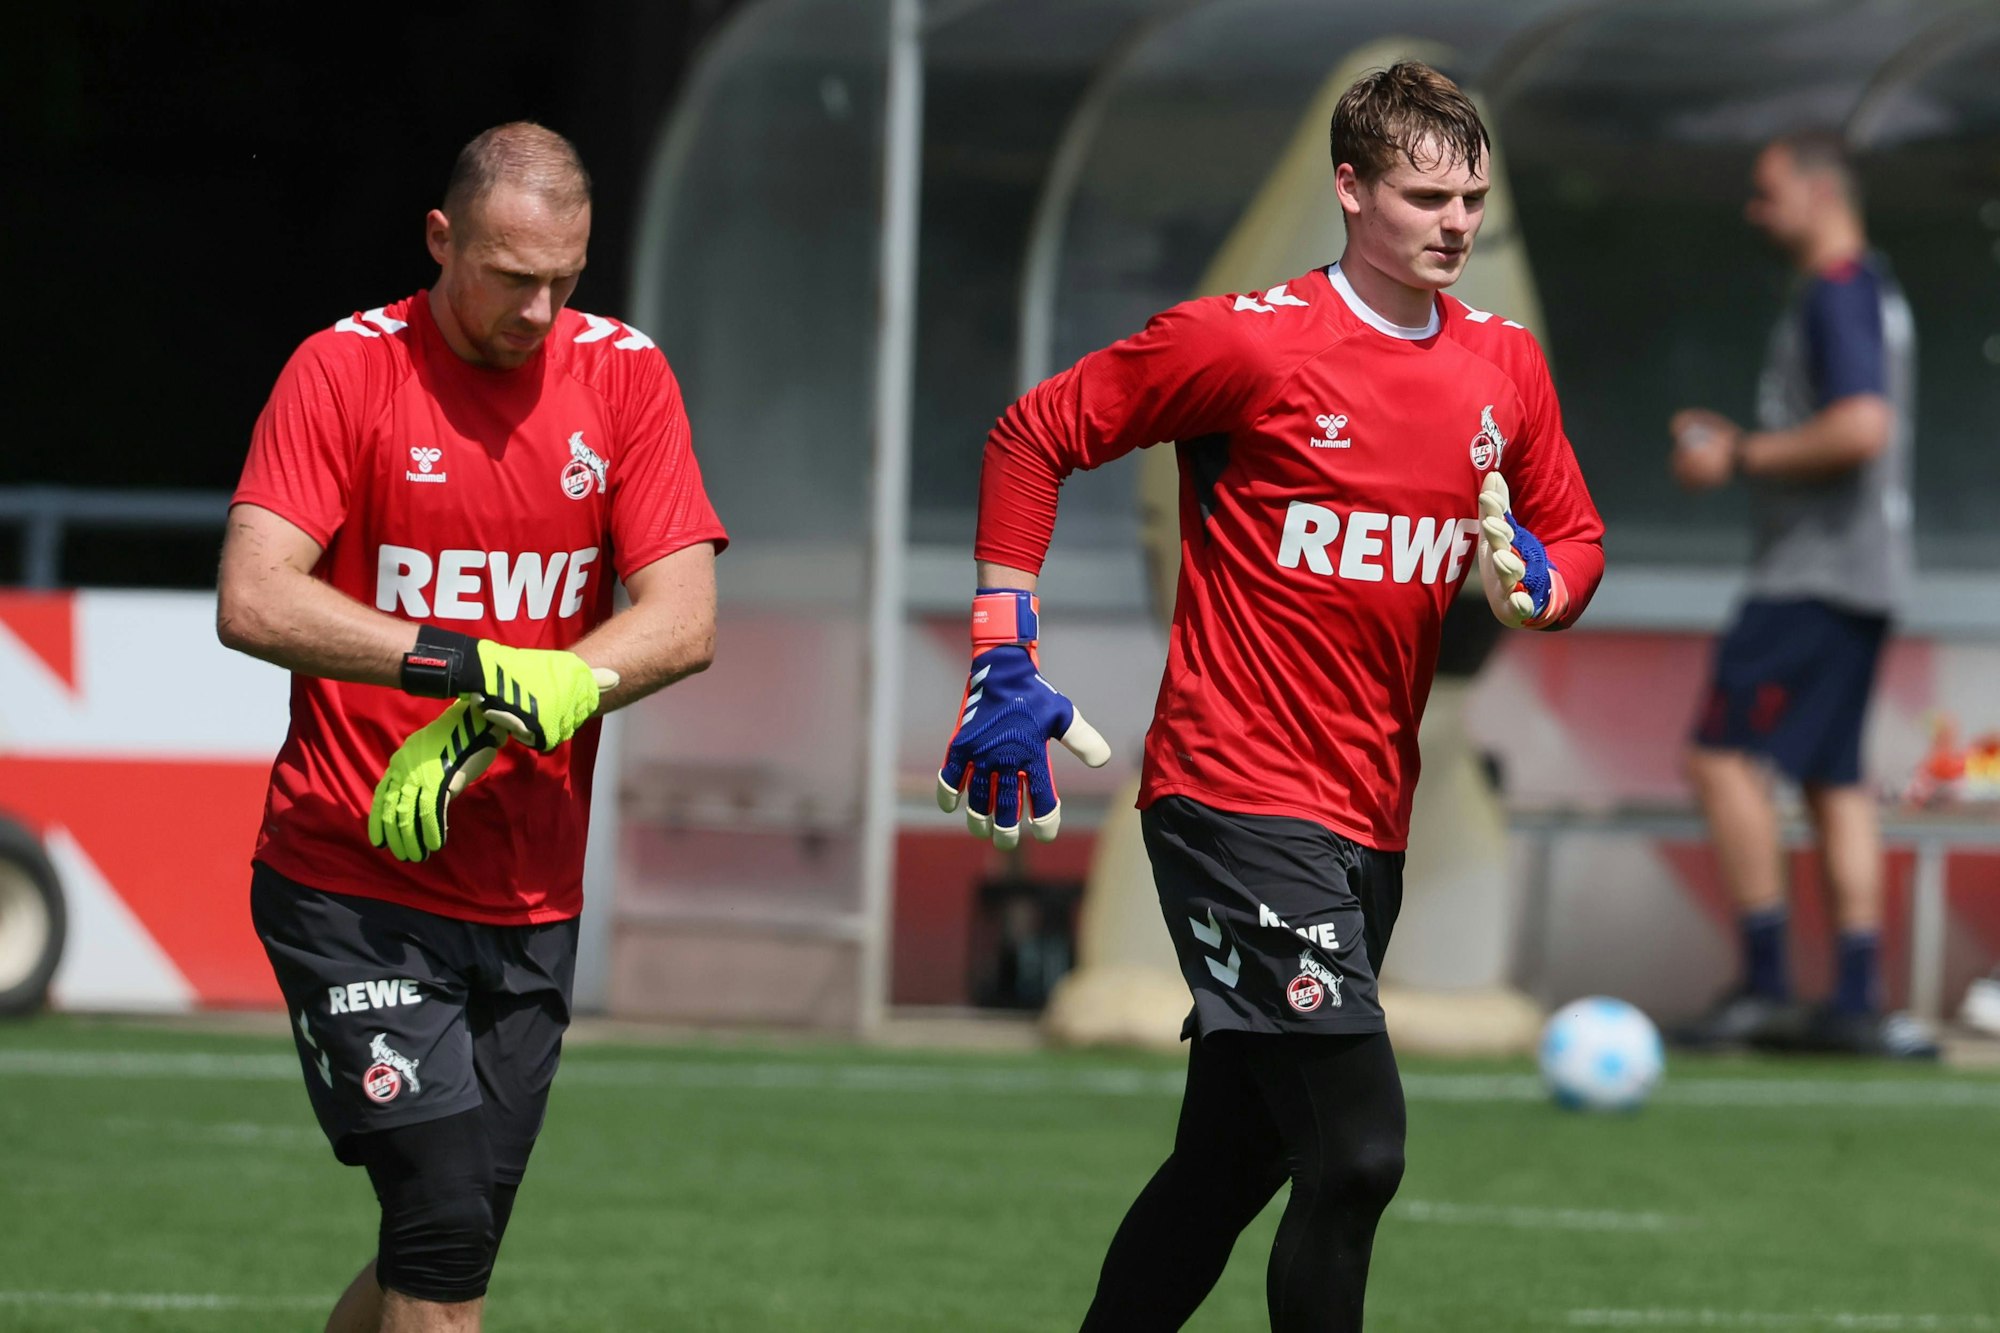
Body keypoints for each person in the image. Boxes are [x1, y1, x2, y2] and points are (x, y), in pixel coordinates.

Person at [936, 63, 1604, 1332]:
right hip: (1230, 798)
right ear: (1348, 191)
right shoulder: (1243, 340)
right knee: (1355, 1152)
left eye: (1469, 196)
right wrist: (1000, 650)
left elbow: (1572, 536)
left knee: (1230, 1162)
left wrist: (1538, 584)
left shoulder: (1501, 367)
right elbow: (1034, 435)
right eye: (1423, 195)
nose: (1455, 222)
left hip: (1367, 817)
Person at [217, 122, 726, 1331]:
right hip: (353, 873)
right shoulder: (342, 370)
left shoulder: (627, 376)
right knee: (443, 1228)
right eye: (510, 277)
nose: (540, 310)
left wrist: (562, 685)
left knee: (438, 1254)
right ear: (441, 241)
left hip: (528, 899)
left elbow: (685, 616)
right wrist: (472, 666)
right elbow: (255, 593)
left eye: (564, 278)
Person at [1669, 130, 1932, 1059]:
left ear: (1821, 195)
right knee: (1832, 777)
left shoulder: (1836, 292)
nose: (1757, 207)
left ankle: (1769, 985)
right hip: (1861, 575)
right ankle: (1856, 999)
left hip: (1814, 576)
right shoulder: (1869, 289)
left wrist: (1736, 453)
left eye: (1768, 190)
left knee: (1720, 755)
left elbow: (1861, 428)